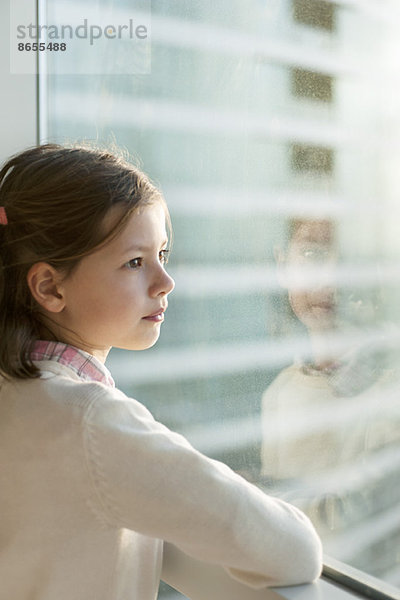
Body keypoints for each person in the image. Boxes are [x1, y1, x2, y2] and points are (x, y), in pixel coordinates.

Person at [0, 144, 322, 600]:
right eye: (135, 262)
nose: (165, 281)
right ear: (50, 287)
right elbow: (294, 551)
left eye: (162, 255)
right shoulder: (88, 421)